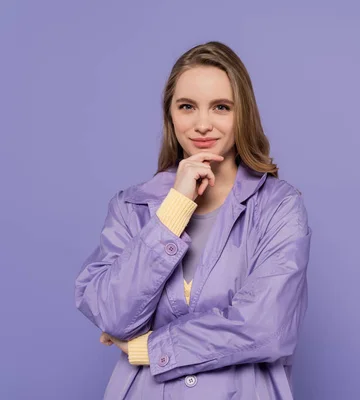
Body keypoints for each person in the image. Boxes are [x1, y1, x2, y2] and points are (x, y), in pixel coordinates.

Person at [74, 41, 312, 399]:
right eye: (187, 107)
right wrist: (174, 209)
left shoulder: (279, 207)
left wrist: (148, 348)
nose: (203, 124)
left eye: (221, 107)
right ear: (170, 114)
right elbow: (113, 314)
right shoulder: (131, 207)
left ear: (242, 114)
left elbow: (266, 327)